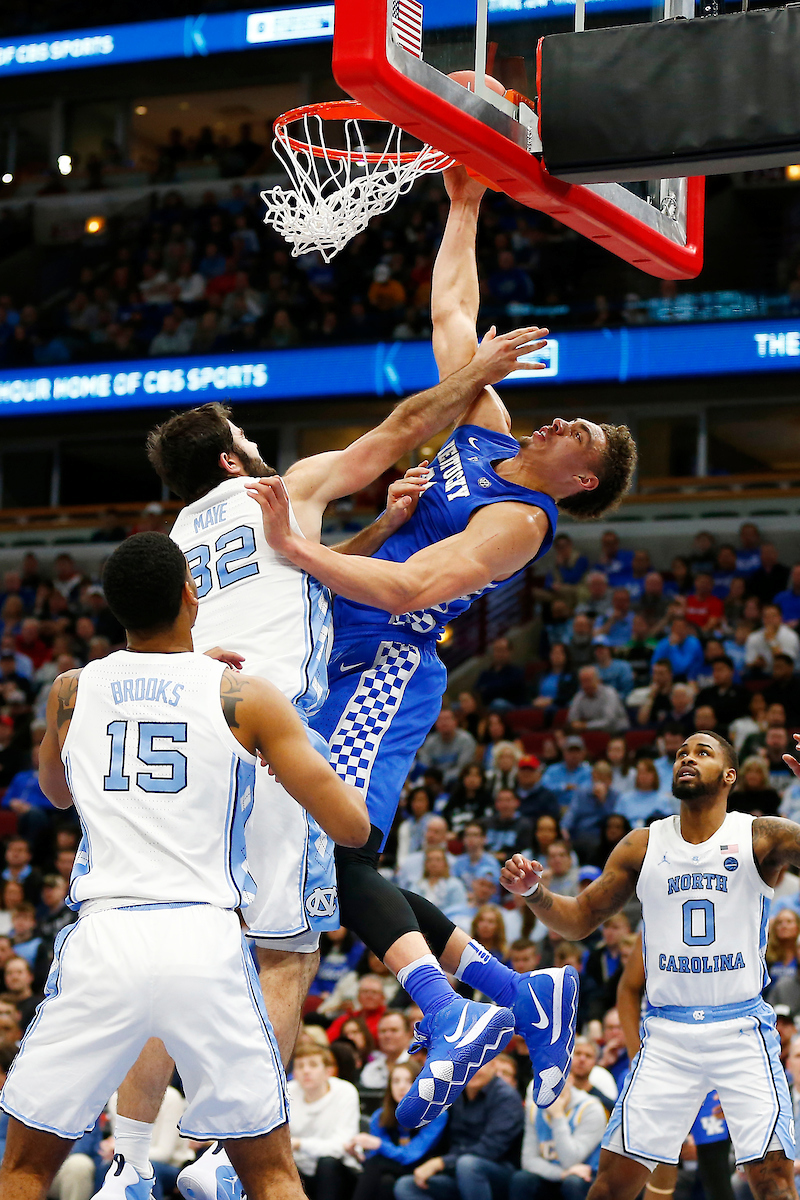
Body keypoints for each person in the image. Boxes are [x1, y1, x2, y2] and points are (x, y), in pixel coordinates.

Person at [247, 166, 635, 1123]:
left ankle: (453, 1007)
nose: (560, 417)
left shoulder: (521, 522)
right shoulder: (487, 424)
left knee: (331, 850)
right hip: (338, 646)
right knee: (324, 858)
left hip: (386, 666)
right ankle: (516, 993)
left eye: (578, 433)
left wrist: (300, 549)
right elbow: (453, 318)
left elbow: (413, 588)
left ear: (580, 480)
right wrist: (465, 205)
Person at [111, 321, 529, 1176]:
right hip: (271, 738)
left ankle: (125, 1165)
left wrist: (381, 526)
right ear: (230, 459)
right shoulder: (286, 485)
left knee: (174, 960)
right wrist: (477, 372)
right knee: (286, 953)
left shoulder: (178, 541)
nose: (255, 444)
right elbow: (403, 428)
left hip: (191, 742)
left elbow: (294, 577)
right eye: (244, 436)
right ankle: (239, 1160)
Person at [0, 532, 370, 1200]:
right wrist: (283, 753)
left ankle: (129, 1167)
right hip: (205, 939)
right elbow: (352, 826)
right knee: (270, 1173)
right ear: (189, 595)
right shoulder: (243, 696)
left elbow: (54, 792)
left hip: (105, 936)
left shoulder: (69, 691)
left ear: (114, 607)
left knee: (26, 1168)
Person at [501, 727, 800, 1200]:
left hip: (741, 1029)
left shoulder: (760, 835)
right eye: (681, 752)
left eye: (702, 752)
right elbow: (579, 919)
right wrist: (534, 893)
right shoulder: (642, 845)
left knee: (773, 1183)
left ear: (729, 775)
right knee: (611, 1186)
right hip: (667, 1035)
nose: (687, 758)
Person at [616, 932, 736, 1200]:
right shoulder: (653, 931)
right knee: (652, 1169)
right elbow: (627, 989)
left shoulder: (725, 933)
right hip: (664, 1062)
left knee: (716, 1177)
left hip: (711, 1063)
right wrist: (637, 1057)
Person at [393, 1059, 524, 1200]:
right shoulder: (454, 1093)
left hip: (496, 1170)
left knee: (468, 1165)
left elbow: (491, 1149)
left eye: (479, 1063)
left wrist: (442, 1163)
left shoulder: (506, 1097)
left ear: (493, 1065)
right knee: (406, 1185)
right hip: (456, 1169)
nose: (472, 1069)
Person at [510, 1052, 606, 1199]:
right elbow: (528, 1161)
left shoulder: (591, 1109)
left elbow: (570, 1160)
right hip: (556, 1174)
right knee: (522, 1179)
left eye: (556, 1079)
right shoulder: (535, 1108)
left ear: (570, 1080)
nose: (550, 1086)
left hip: (585, 1176)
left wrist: (558, 1116)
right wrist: (561, 1174)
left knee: (572, 1182)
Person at [348, 1061, 449, 1200]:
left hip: (423, 1168)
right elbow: (375, 1157)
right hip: (389, 1168)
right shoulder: (380, 1116)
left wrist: (378, 1144)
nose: (401, 1087)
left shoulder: (436, 1115)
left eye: (409, 1081)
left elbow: (410, 1155)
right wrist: (358, 1156)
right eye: (396, 1081)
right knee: (386, 1181)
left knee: (377, 1164)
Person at [285, 1042, 361, 1200]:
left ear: (328, 1071)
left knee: (327, 1163)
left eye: (313, 1065)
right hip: (300, 1168)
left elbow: (341, 1146)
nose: (306, 1071)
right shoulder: (288, 1091)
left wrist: (299, 1144)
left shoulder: (345, 1092)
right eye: (300, 1066)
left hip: (339, 1168)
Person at [417, 708, 477, 788]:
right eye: (440, 720)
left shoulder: (466, 740)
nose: (444, 723)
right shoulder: (430, 741)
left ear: (455, 721)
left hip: (457, 782)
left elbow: (463, 768)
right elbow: (425, 765)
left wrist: (442, 779)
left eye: (447, 719)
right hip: (433, 783)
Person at [359, 1010, 411, 1090]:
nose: (387, 1035)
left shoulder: (420, 1066)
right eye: (383, 1031)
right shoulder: (371, 1069)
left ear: (408, 1035)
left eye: (394, 1030)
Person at [476, 636, 527, 710]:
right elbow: (477, 690)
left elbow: (505, 689)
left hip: (512, 709)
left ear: (510, 652)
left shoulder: (517, 672)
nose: (499, 654)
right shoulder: (485, 673)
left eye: (502, 650)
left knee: (498, 704)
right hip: (487, 707)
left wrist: (487, 689)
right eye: (496, 650)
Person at [746, 605, 800, 673]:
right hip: (761, 674)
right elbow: (749, 662)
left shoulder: (791, 636)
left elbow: (787, 665)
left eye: (773, 616)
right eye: (766, 617)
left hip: (787, 675)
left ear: (780, 617)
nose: (769, 620)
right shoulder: (753, 637)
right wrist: (756, 663)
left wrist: (772, 641)